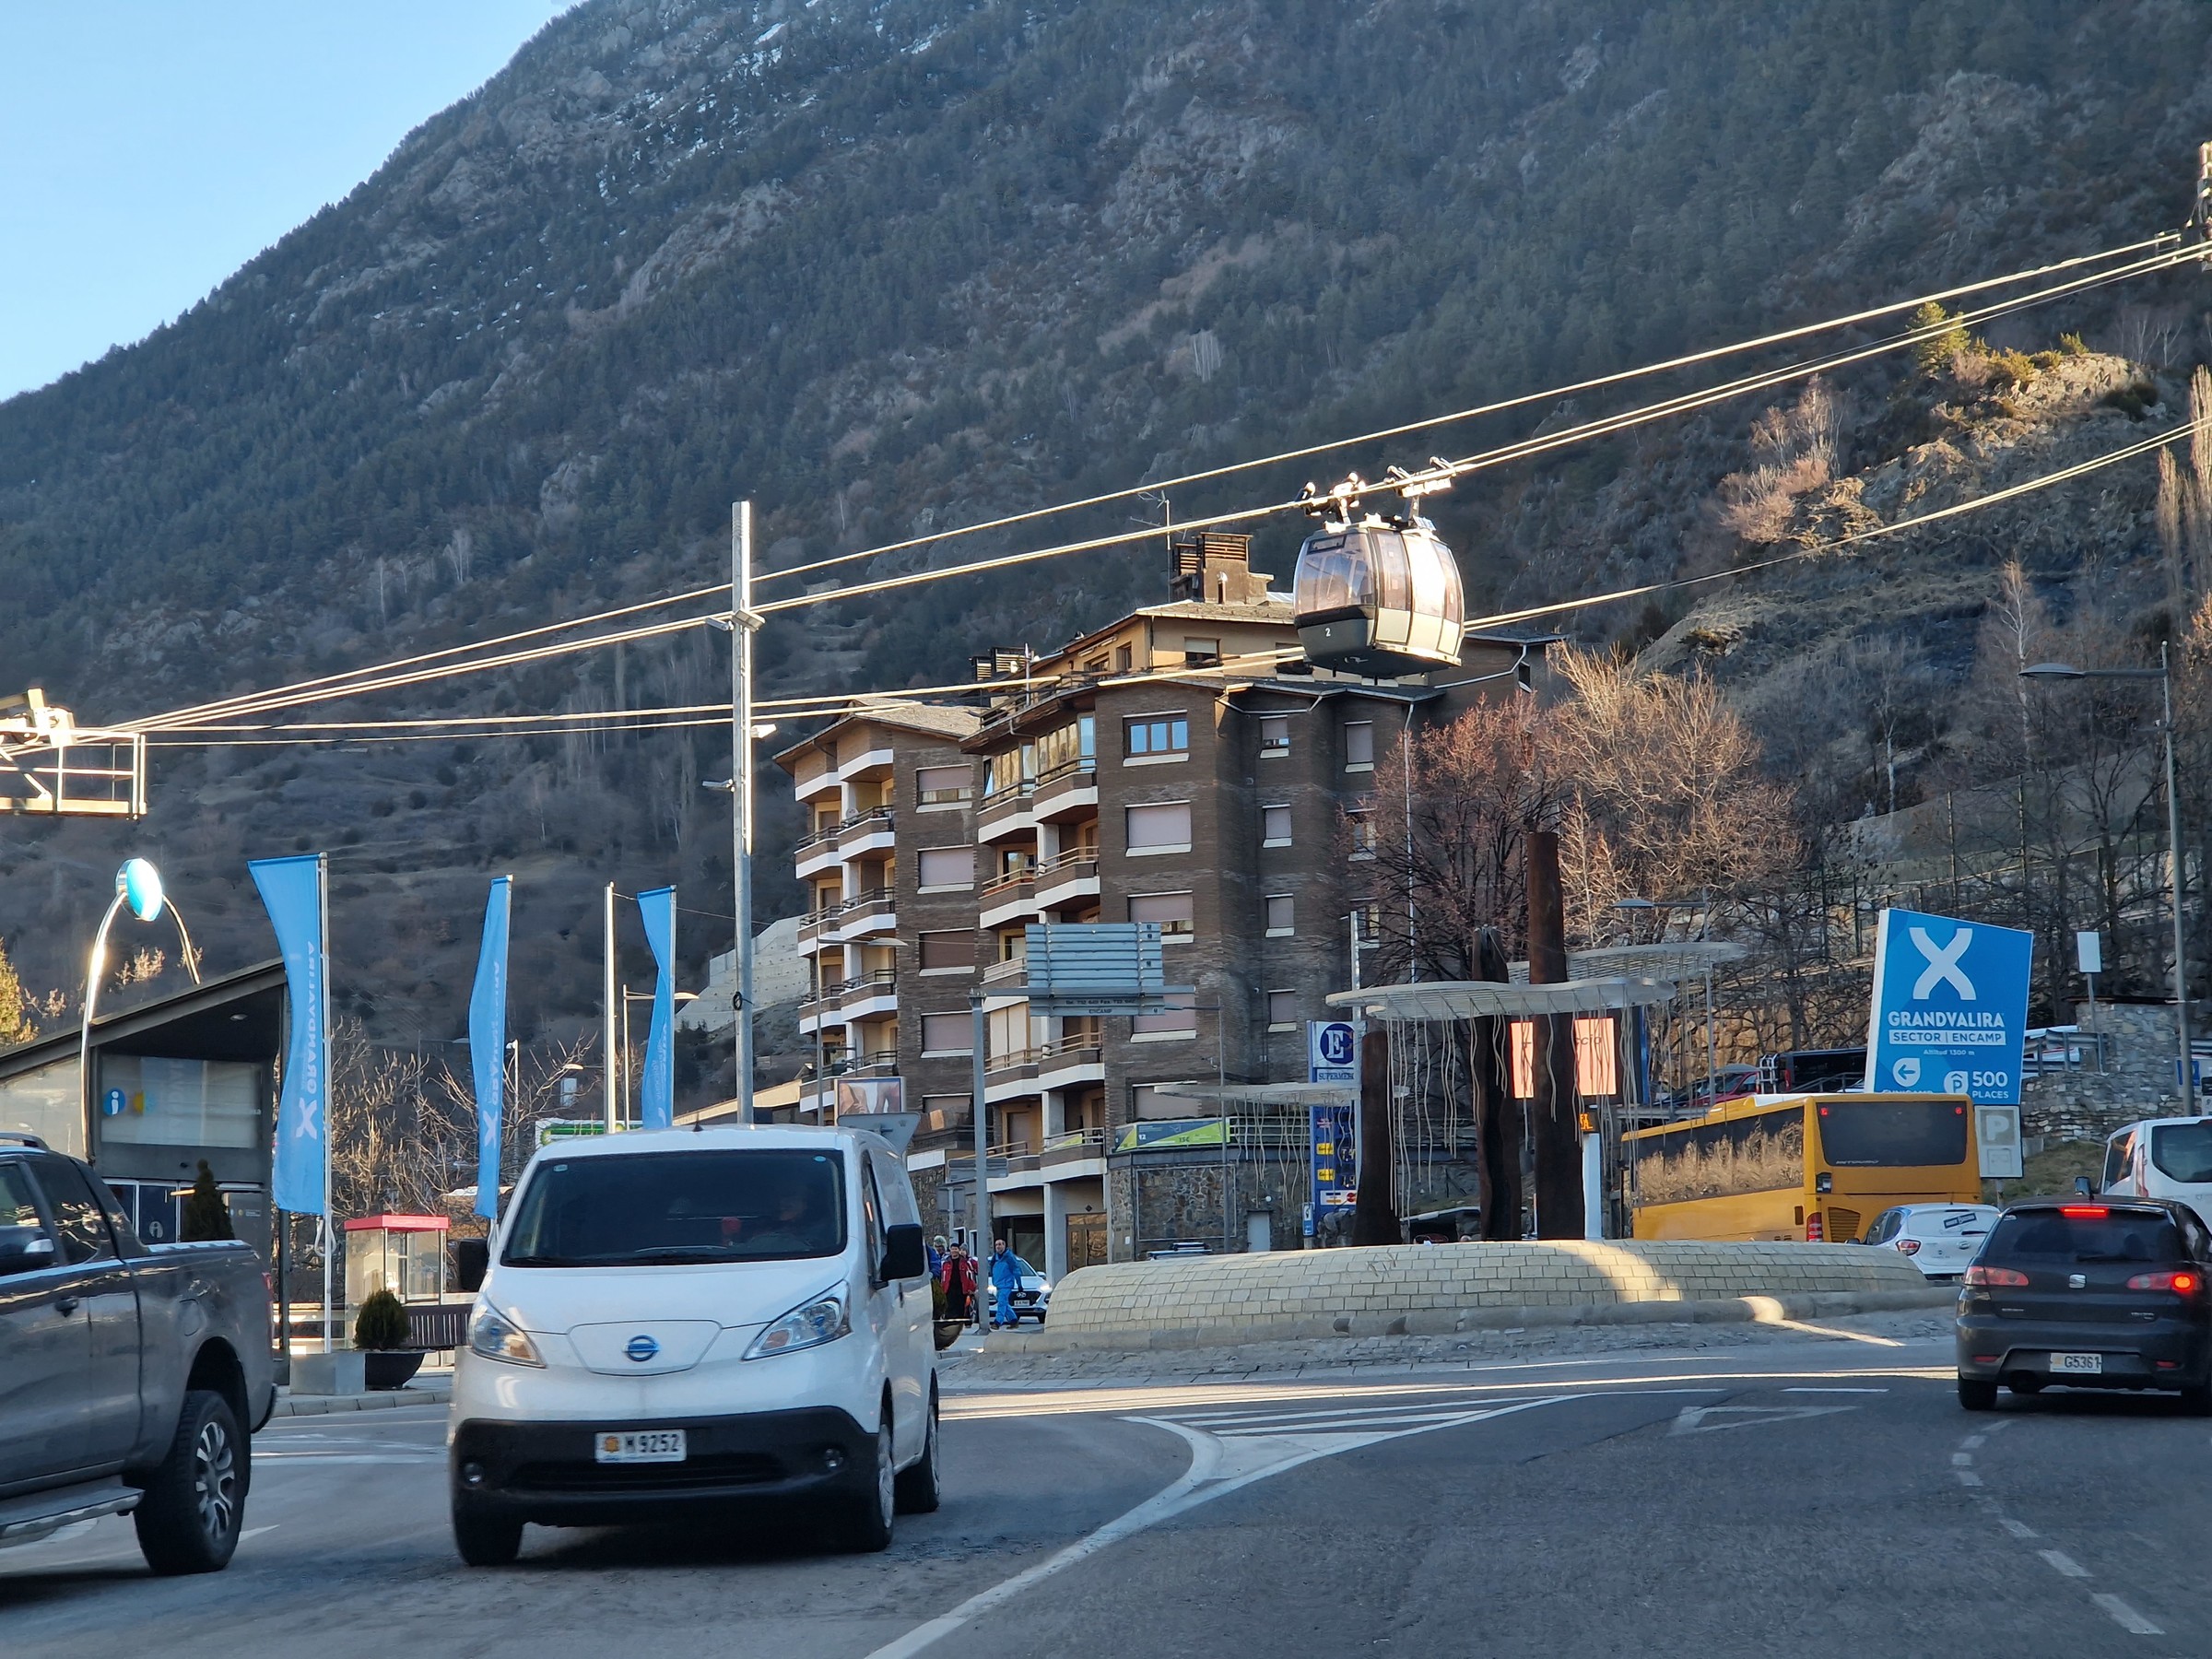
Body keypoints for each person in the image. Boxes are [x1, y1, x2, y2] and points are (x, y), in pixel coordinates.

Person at [988, 1238, 1023, 1328]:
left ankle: (997, 1322)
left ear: (1004, 1245)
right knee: (1005, 1304)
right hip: (998, 1285)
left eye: (1000, 1244)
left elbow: (1016, 1270)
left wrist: (1019, 1284)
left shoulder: (1009, 1257)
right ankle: (1014, 1321)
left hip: (1006, 1285)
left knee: (1001, 1304)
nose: (998, 1246)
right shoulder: (995, 1258)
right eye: (996, 1245)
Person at [939, 1242, 976, 1322]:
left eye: (956, 1249)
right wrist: (942, 1288)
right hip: (949, 1288)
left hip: (962, 1288)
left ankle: (960, 1322)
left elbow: (971, 1274)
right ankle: (951, 1322)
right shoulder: (945, 1262)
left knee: (961, 1307)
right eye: (952, 1249)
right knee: (950, 1306)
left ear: (959, 1250)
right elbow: (943, 1277)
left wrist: (971, 1287)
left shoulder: (966, 1262)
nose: (954, 1251)